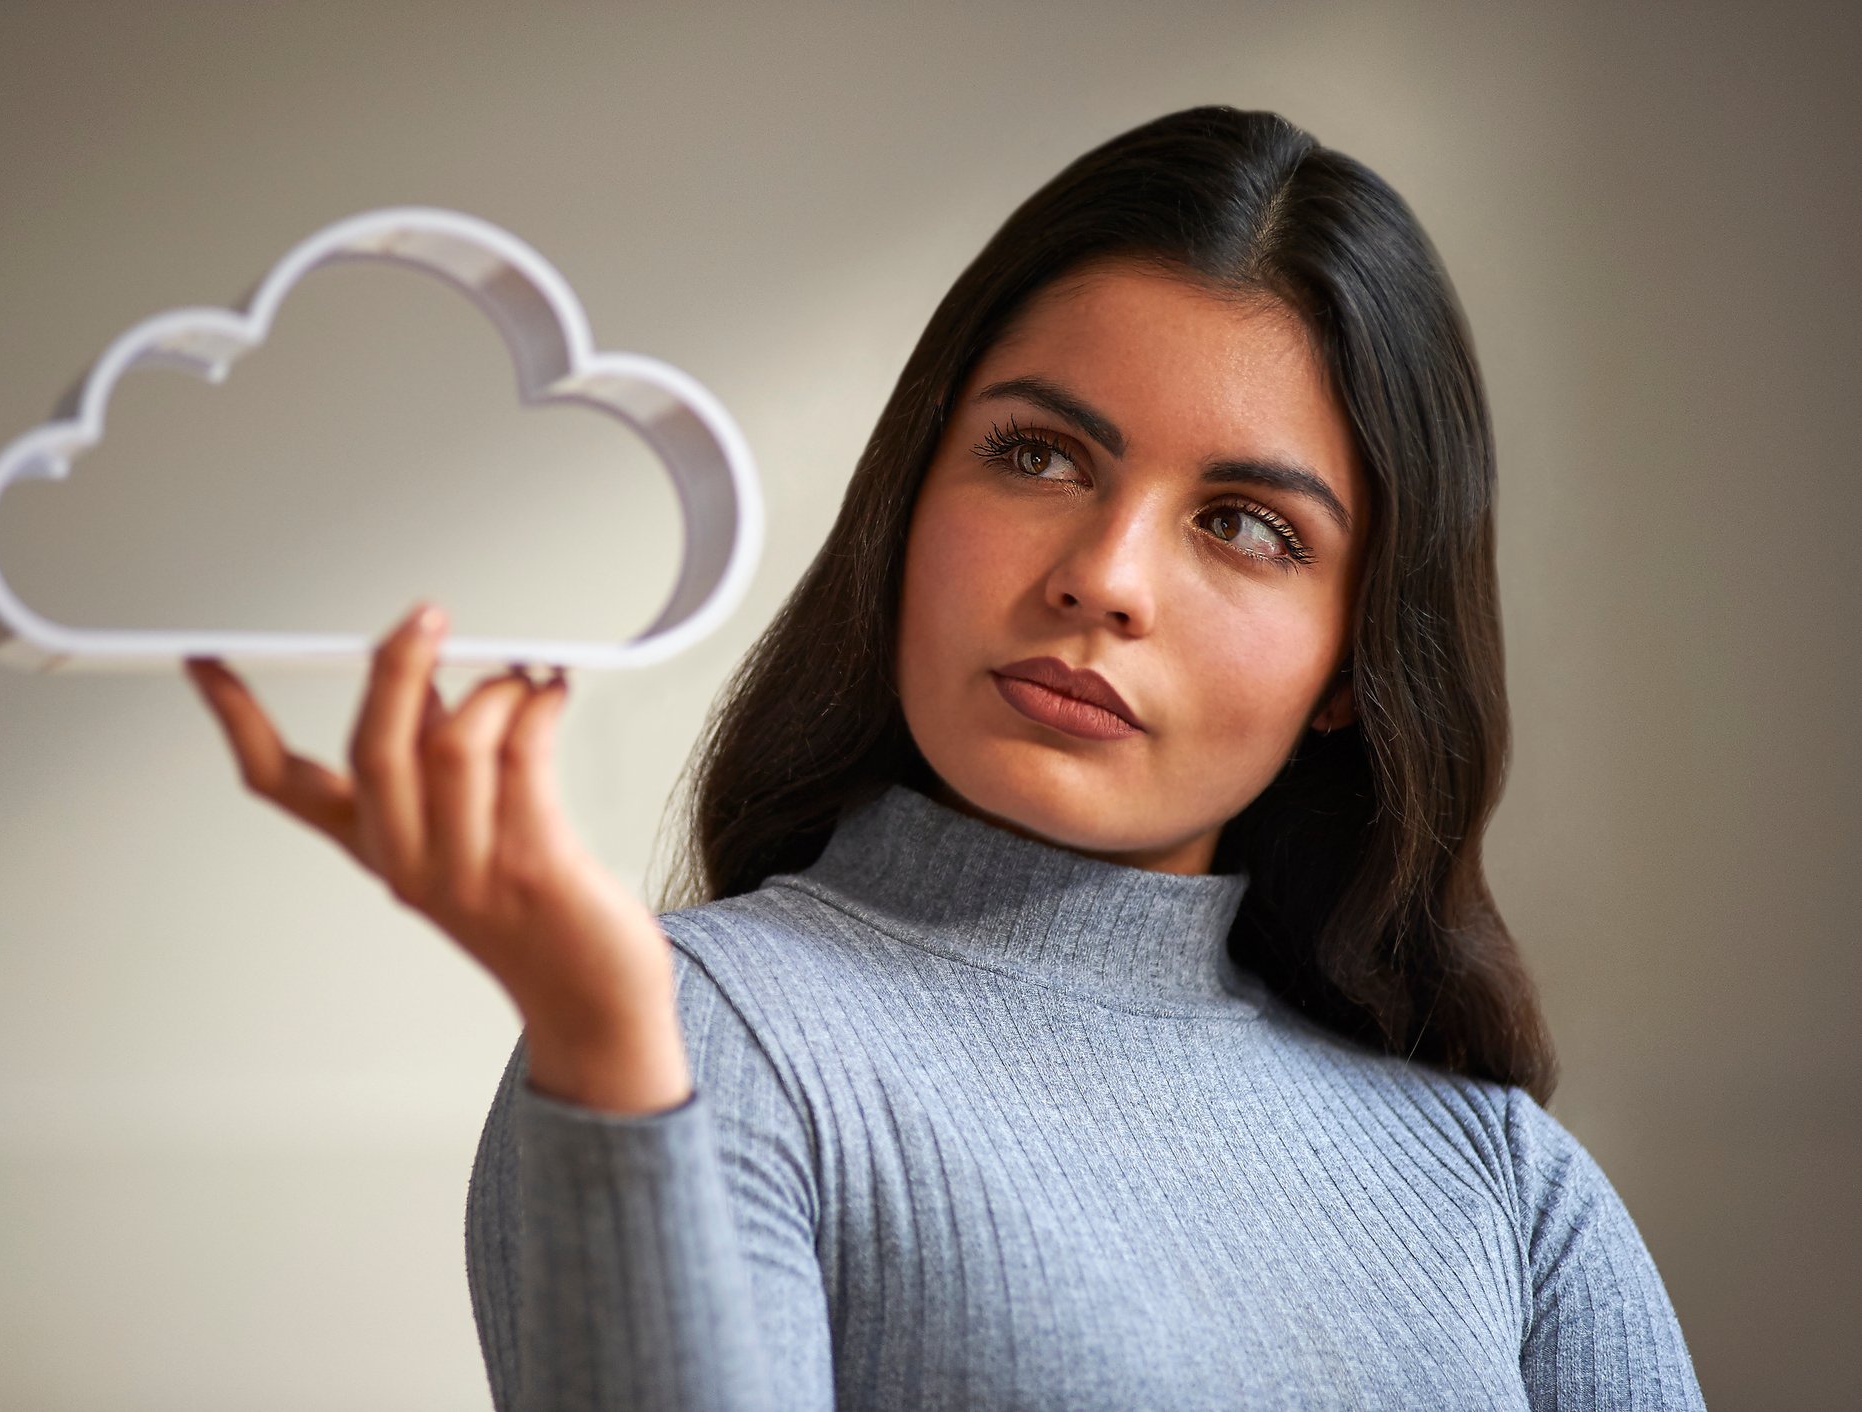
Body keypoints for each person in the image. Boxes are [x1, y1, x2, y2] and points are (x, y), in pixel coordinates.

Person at [186, 106, 1705, 1410]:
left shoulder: (1501, 1184)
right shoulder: (693, 1044)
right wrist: (606, 1048)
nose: (1102, 575)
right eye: (1038, 455)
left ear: (1352, 667)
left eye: (1245, 527)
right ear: (908, 498)